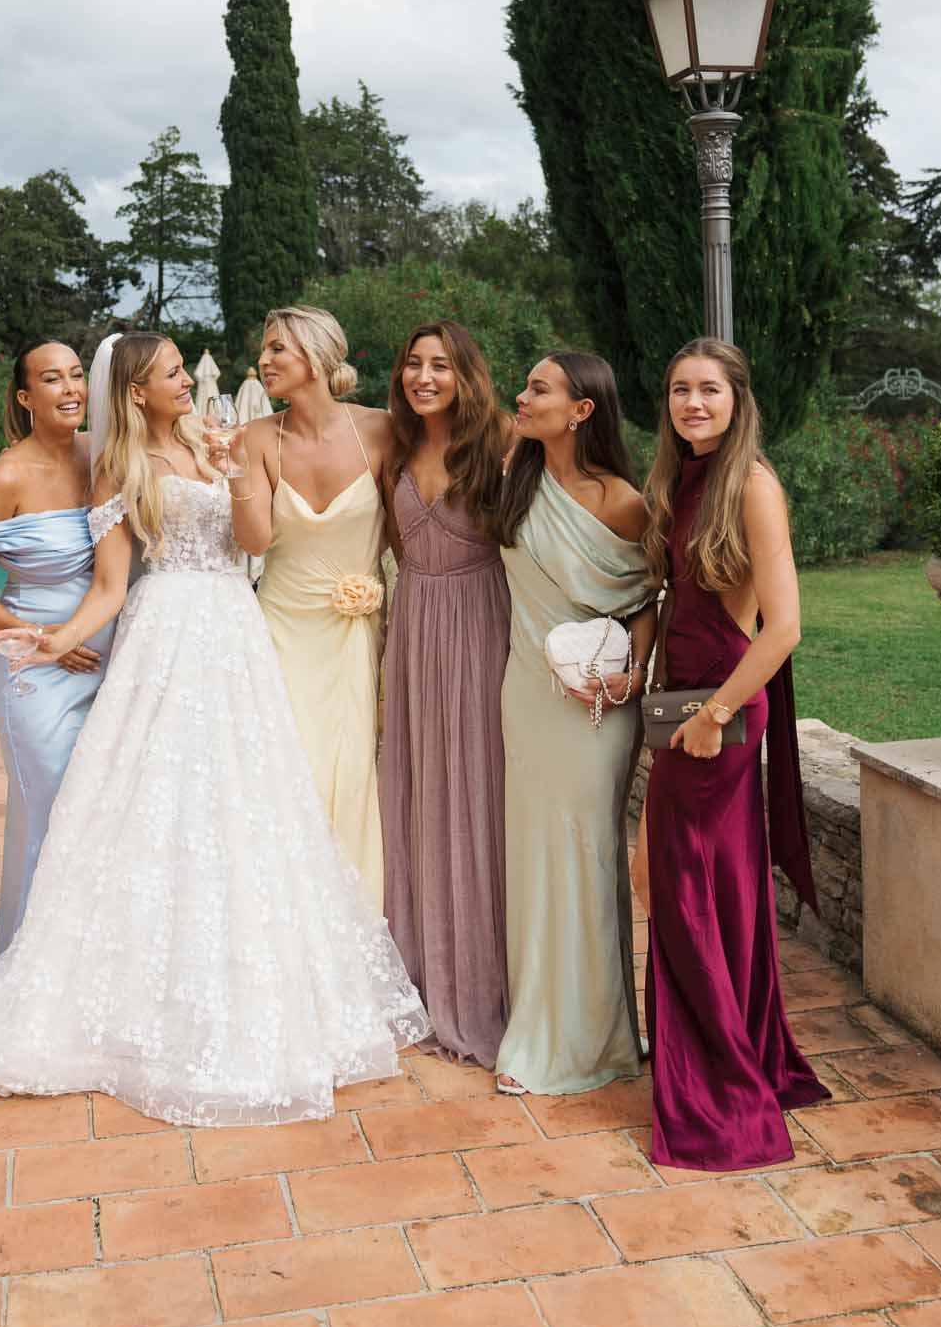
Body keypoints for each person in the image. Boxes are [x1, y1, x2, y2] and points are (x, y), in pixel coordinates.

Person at [0, 332, 428, 1122]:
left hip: (235, 627)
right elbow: (110, 584)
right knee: (153, 805)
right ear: (137, 391)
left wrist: (235, 474)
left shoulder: (217, 440)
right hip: (164, 629)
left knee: (246, 802)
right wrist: (57, 638)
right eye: (171, 372)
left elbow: (254, 543)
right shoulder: (118, 467)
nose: (185, 381)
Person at [638, 338, 828, 1171]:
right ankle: (731, 1050)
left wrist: (714, 714)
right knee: (707, 888)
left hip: (716, 711)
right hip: (682, 701)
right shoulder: (680, 479)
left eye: (708, 390)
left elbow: (782, 627)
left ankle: (717, 1083)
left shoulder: (750, 484)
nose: (692, 403)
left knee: (685, 892)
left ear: (737, 399)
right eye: (679, 389)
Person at [495, 353, 657, 1098]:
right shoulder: (514, 475)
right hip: (526, 696)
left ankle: (594, 1041)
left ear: (582, 409)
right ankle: (536, 1026)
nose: (522, 397)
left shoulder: (622, 501)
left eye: (539, 389)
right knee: (533, 863)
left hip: (595, 706)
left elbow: (649, 599)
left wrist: (635, 674)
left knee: (588, 861)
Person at [0, 339, 115, 955]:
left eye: (76, 375)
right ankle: (35, 960)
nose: (70, 389)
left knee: (104, 812)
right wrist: (44, 638)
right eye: (52, 379)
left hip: (111, 662)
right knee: (53, 810)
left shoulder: (104, 454)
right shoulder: (8, 475)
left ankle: (93, 959)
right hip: (35, 670)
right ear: (25, 396)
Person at [379, 323, 512, 1069]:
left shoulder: (500, 445)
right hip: (415, 630)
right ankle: (422, 976)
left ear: (465, 374)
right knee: (419, 796)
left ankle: (485, 985)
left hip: (482, 630)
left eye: (439, 365)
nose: (423, 377)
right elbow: (398, 549)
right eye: (413, 363)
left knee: (479, 793)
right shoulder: (394, 450)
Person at [227, 306, 391, 905]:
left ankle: (349, 914)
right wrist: (235, 474)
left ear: (317, 357)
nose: (264, 360)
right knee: (283, 772)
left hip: (354, 634)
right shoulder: (255, 438)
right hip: (278, 630)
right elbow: (254, 542)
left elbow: (406, 531)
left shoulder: (381, 430)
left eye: (278, 349)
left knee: (351, 774)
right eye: (265, 348)